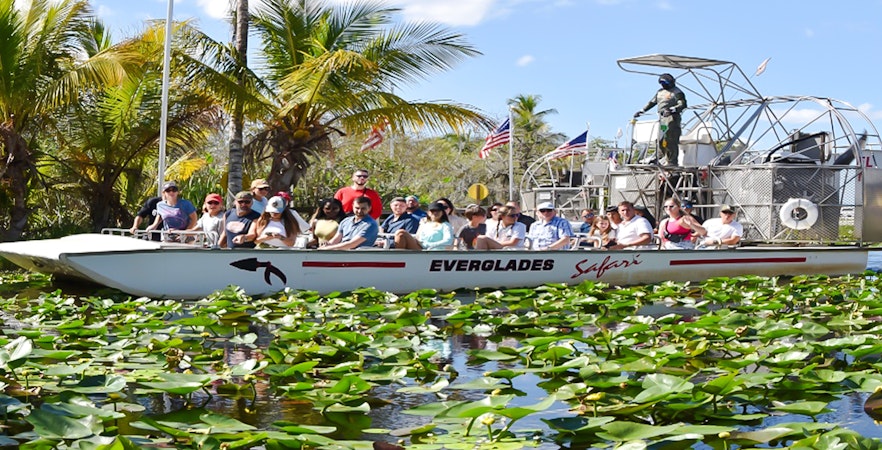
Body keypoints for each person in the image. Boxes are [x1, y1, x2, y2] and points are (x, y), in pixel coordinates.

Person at [634, 73, 687, 166]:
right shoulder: (660, 92)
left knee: (670, 139)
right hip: (662, 119)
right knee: (661, 139)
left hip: (672, 118)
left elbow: (682, 104)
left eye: (665, 83)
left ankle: (672, 161)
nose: (663, 85)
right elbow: (652, 102)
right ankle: (660, 157)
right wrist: (642, 111)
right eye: (662, 83)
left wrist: (672, 110)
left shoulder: (677, 92)